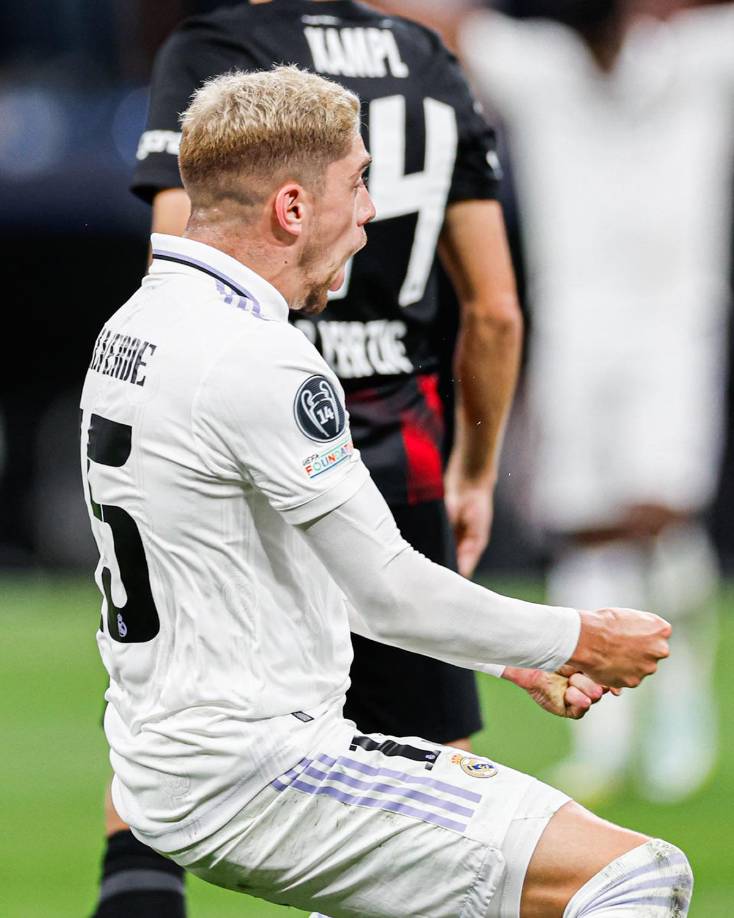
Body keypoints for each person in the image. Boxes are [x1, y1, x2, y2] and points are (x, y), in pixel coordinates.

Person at [81, 64, 691, 918]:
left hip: (167, 760)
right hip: (263, 772)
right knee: (633, 875)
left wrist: (507, 655)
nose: (370, 213)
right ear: (292, 209)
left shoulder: (135, 326)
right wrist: (576, 638)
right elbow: (388, 588)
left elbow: (304, 567)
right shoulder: (260, 360)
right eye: (359, 182)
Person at [94, 2, 524, 913]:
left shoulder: (219, 48)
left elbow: (185, 264)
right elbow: (493, 310)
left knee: (169, 749)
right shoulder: (426, 56)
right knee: (437, 783)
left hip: (243, 430)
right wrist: (474, 472)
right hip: (398, 445)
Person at [457, 0, 734, 805]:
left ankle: (681, 701)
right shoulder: (538, 62)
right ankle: (601, 730)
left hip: (678, 320)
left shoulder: (702, 54)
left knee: (660, 511)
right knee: (583, 520)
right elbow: (441, 25)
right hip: (577, 325)